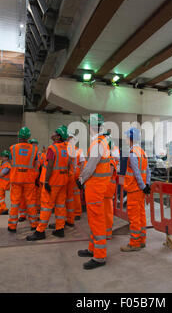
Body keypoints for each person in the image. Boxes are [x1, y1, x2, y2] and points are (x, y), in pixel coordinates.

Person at [76, 114, 111, 270]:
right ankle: (93, 249)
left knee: (96, 221)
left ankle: (99, 256)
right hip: (98, 187)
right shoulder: (103, 141)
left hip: (95, 188)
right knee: (93, 220)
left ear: (91, 126)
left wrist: (81, 179)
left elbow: (90, 167)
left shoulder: (98, 143)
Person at [27, 126, 71, 241]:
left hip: (52, 182)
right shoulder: (67, 148)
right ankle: (60, 229)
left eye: (54, 132)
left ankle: (40, 231)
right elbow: (69, 164)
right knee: (60, 205)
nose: (52, 134)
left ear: (58, 136)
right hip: (63, 181)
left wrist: (46, 181)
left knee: (46, 206)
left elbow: (50, 166)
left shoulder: (52, 148)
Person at [121, 127, 151, 252]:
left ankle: (134, 243)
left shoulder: (133, 153)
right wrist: (147, 185)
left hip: (135, 189)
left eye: (127, 137)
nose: (126, 139)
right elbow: (148, 171)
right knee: (141, 215)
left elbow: (137, 172)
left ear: (131, 138)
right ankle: (142, 240)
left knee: (134, 218)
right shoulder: (142, 152)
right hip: (141, 190)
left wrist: (143, 186)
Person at [7, 127, 39, 232]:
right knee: (31, 202)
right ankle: (34, 224)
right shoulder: (34, 149)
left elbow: (11, 162)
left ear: (19, 136)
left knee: (15, 203)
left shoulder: (13, 148)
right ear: (29, 137)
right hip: (29, 179)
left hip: (16, 179)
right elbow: (36, 164)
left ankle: (12, 226)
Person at [65, 131, 85, 226]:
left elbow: (82, 163)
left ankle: (77, 213)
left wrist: (81, 176)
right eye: (68, 138)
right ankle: (68, 213)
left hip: (75, 175)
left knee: (76, 195)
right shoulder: (65, 149)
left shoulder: (79, 151)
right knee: (67, 196)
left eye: (71, 138)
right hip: (67, 175)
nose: (70, 140)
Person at [103, 135, 119, 240]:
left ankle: (108, 233)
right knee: (104, 212)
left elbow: (108, 174)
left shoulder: (110, 161)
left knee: (107, 212)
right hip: (105, 189)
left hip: (107, 189)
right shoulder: (108, 160)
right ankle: (105, 231)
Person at [29, 138, 42, 216]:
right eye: (33, 144)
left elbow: (41, 165)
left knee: (37, 194)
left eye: (35, 144)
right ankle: (33, 209)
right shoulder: (31, 153)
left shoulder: (39, 154)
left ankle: (37, 209)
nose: (34, 145)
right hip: (31, 176)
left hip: (37, 176)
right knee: (31, 195)